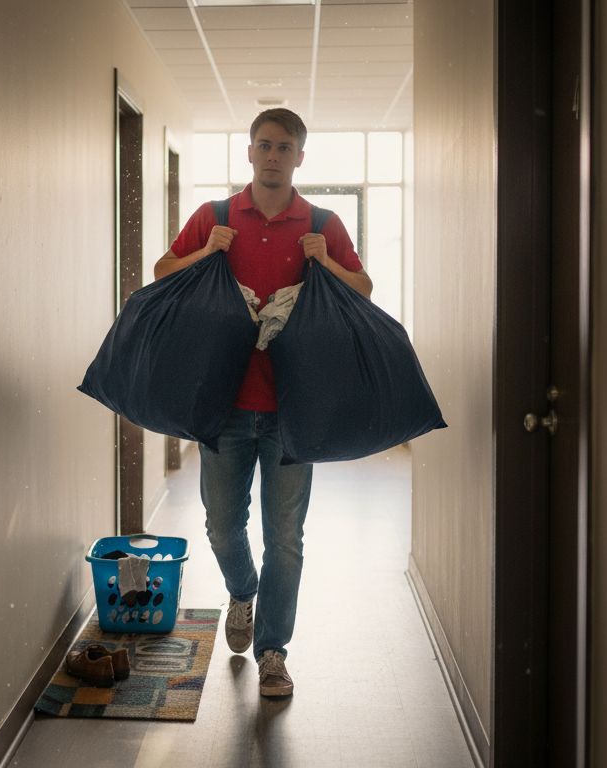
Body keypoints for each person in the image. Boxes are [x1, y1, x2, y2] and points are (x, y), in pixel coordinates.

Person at [152, 109, 372, 697]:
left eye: (285, 147)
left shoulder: (322, 223)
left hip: (292, 410)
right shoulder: (215, 217)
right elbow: (161, 273)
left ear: (300, 157)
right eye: (265, 145)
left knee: (287, 537)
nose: (274, 155)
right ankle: (242, 591)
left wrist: (324, 260)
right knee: (223, 527)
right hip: (223, 404)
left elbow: (364, 290)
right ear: (250, 152)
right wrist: (208, 252)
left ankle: (274, 652)